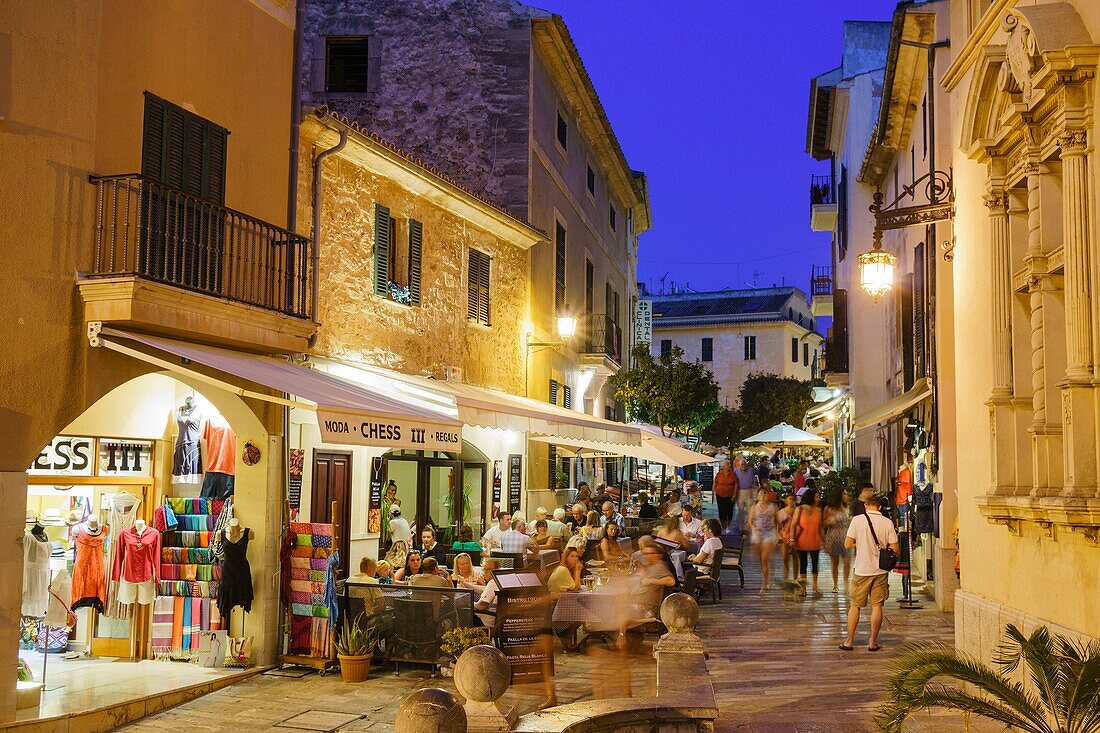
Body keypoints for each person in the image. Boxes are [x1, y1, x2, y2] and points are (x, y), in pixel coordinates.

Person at [840, 494, 899, 652]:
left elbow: (847, 544)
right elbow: (895, 549)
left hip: (862, 570)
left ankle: (849, 641)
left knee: (855, 606)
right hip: (880, 570)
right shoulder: (887, 522)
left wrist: (860, 543)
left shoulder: (857, 520)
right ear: (880, 507)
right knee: (877, 606)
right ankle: (872, 642)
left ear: (866, 506)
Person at [791, 490, 824, 596]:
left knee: (815, 564)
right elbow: (793, 525)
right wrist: (792, 539)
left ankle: (815, 585)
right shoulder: (799, 509)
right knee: (803, 565)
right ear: (811, 497)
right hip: (802, 541)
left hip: (815, 540)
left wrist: (824, 540)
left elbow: (820, 527)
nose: (818, 499)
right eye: (816, 497)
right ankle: (803, 588)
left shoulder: (818, 510)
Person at [632, 538, 676, 616]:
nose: (648, 556)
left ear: (659, 555)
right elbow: (650, 575)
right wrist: (642, 568)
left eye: (651, 554)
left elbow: (671, 581)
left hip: (645, 607)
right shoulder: (654, 566)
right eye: (645, 554)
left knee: (617, 605)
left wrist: (650, 581)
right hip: (641, 603)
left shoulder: (660, 566)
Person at [747, 489, 779, 592]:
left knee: (764, 558)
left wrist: (777, 533)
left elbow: (777, 521)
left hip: (769, 533)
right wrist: (753, 528)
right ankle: (766, 576)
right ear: (757, 495)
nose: (763, 495)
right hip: (758, 533)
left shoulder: (773, 507)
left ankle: (766, 581)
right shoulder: (753, 508)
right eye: (761, 493)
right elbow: (750, 521)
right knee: (760, 559)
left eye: (765, 493)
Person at [823, 489, 853, 593]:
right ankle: (835, 584)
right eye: (844, 493)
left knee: (847, 562)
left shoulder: (848, 507)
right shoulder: (829, 508)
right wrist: (829, 521)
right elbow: (823, 523)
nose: (846, 495)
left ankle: (846, 583)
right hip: (833, 536)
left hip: (846, 536)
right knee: (835, 563)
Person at [777, 494, 799, 583]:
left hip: (796, 537)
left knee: (795, 557)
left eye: (793, 499)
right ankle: (785, 578)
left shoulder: (798, 511)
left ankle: (795, 578)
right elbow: (778, 526)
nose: (791, 501)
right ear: (786, 500)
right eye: (789, 499)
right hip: (784, 537)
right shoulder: (781, 512)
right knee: (785, 557)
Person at [712, 460, 737, 534]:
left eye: (729, 464)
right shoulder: (719, 474)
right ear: (723, 466)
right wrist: (713, 492)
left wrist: (734, 495)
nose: (729, 466)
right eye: (727, 464)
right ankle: (723, 527)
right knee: (721, 511)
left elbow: (736, 484)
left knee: (729, 512)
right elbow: (715, 483)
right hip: (720, 495)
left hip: (730, 495)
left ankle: (728, 527)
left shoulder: (733, 474)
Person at [733, 457, 757, 529]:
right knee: (740, 510)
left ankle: (749, 525)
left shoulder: (750, 471)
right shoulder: (735, 472)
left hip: (749, 491)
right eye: (742, 464)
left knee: (750, 509)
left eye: (745, 464)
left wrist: (753, 492)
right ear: (739, 465)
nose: (743, 466)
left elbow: (753, 482)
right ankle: (741, 526)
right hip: (740, 492)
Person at [385, 505, 412, 569]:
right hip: (406, 547)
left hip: (398, 550)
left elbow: (387, 534)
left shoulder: (393, 522)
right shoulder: (404, 520)